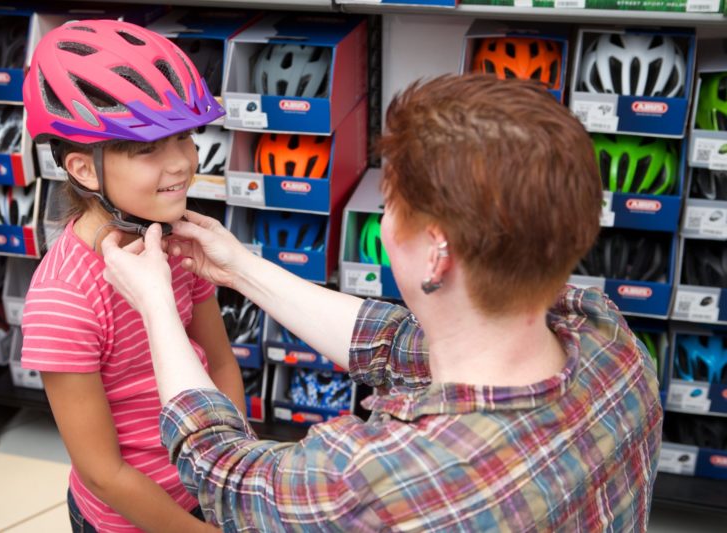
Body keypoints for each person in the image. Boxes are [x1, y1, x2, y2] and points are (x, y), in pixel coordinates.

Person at [102, 74, 663, 531]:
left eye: (390, 207)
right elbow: (399, 345)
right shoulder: (606, 337)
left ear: (436, 251)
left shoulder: (386, 478)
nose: (384, 224)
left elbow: (220, 466)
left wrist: (155, 304)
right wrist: (241, 269)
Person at [19, 20, 239, 532]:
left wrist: (230, 469)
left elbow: (221, 364)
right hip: (135, 519)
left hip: (208, 482)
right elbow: (103, 472)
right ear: (85, 169)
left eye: (184, 136)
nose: (183, 162)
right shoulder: (64, 298)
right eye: (148, 148)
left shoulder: (176, 239)